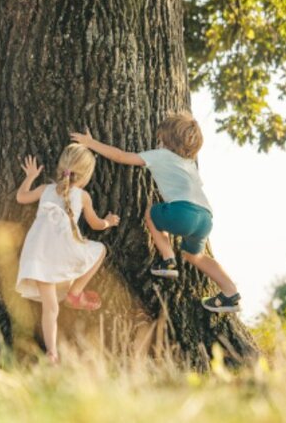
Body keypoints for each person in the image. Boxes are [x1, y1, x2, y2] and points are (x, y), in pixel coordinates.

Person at [70, 112, 241, 313]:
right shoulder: (190, 163)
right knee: (195, 256)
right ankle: (231, 292)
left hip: (182, 212)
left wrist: (91, 143)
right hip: (205, 217)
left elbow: (120, 156)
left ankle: (168, 260)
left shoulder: (159, 155)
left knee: (151, 212)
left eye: (159, 138)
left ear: (165, 140)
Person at [15, 144, 120, 363]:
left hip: (39, 254)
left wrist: (31, 177)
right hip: (63, 250)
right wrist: (109, 222)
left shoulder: (45, 189)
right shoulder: (83, 196)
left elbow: (21, 197)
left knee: (50, 308)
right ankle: (75, 292)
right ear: (87, 174)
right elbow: (96, 224)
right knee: (99, 250)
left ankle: (52, 353)